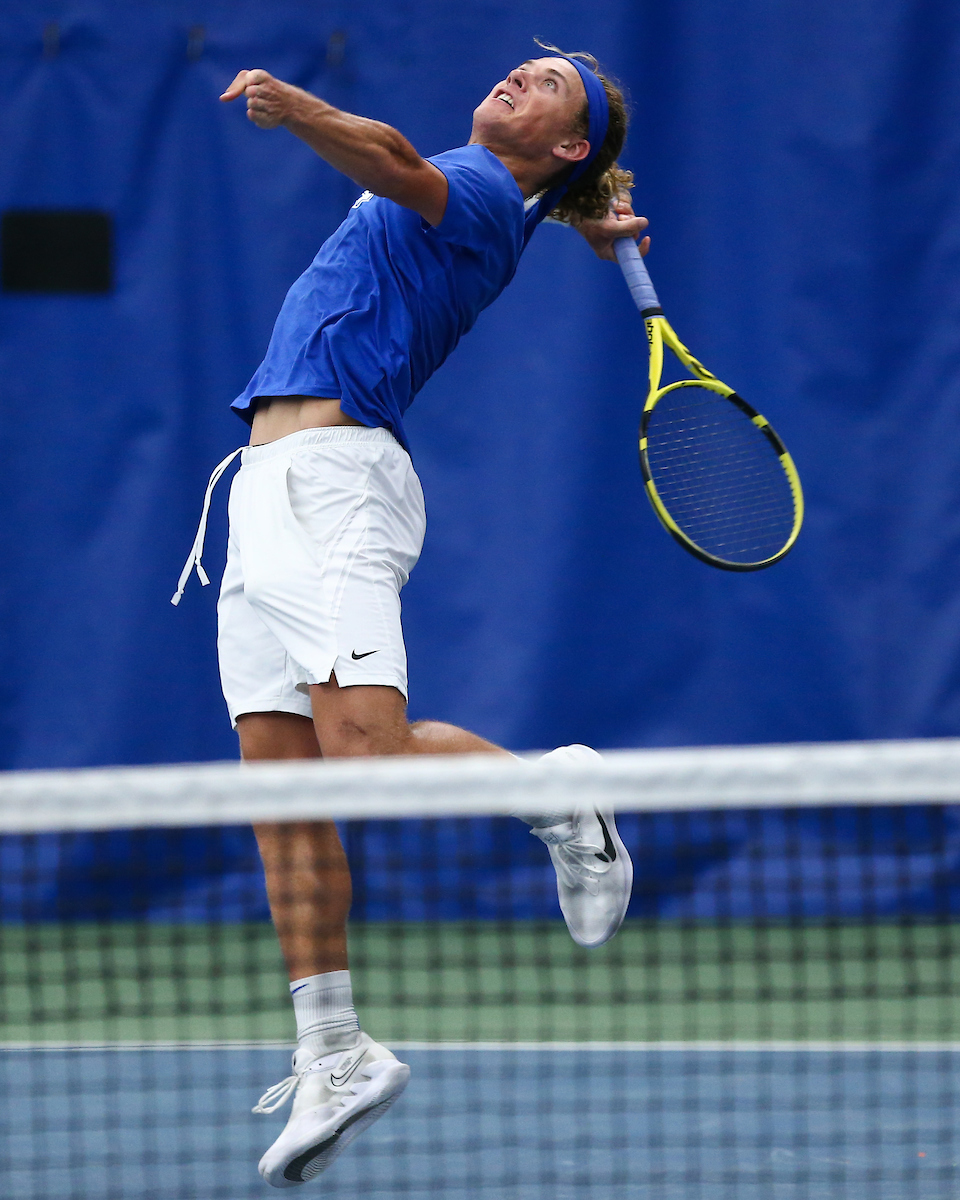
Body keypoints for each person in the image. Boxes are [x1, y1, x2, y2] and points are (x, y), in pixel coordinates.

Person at [177, 42, 649, 1189]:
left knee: (369, 756)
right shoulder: (509, 196)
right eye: (523, 68)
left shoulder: (478, 182)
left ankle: (554, 795)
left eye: (549, 88)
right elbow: (476, 189)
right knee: (282, 787)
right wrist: (584, 217)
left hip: (337, 483)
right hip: (262, 491)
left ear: (566, 144)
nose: (516, 80)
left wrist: (295, 110)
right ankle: (333, 1050)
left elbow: (388, 157)